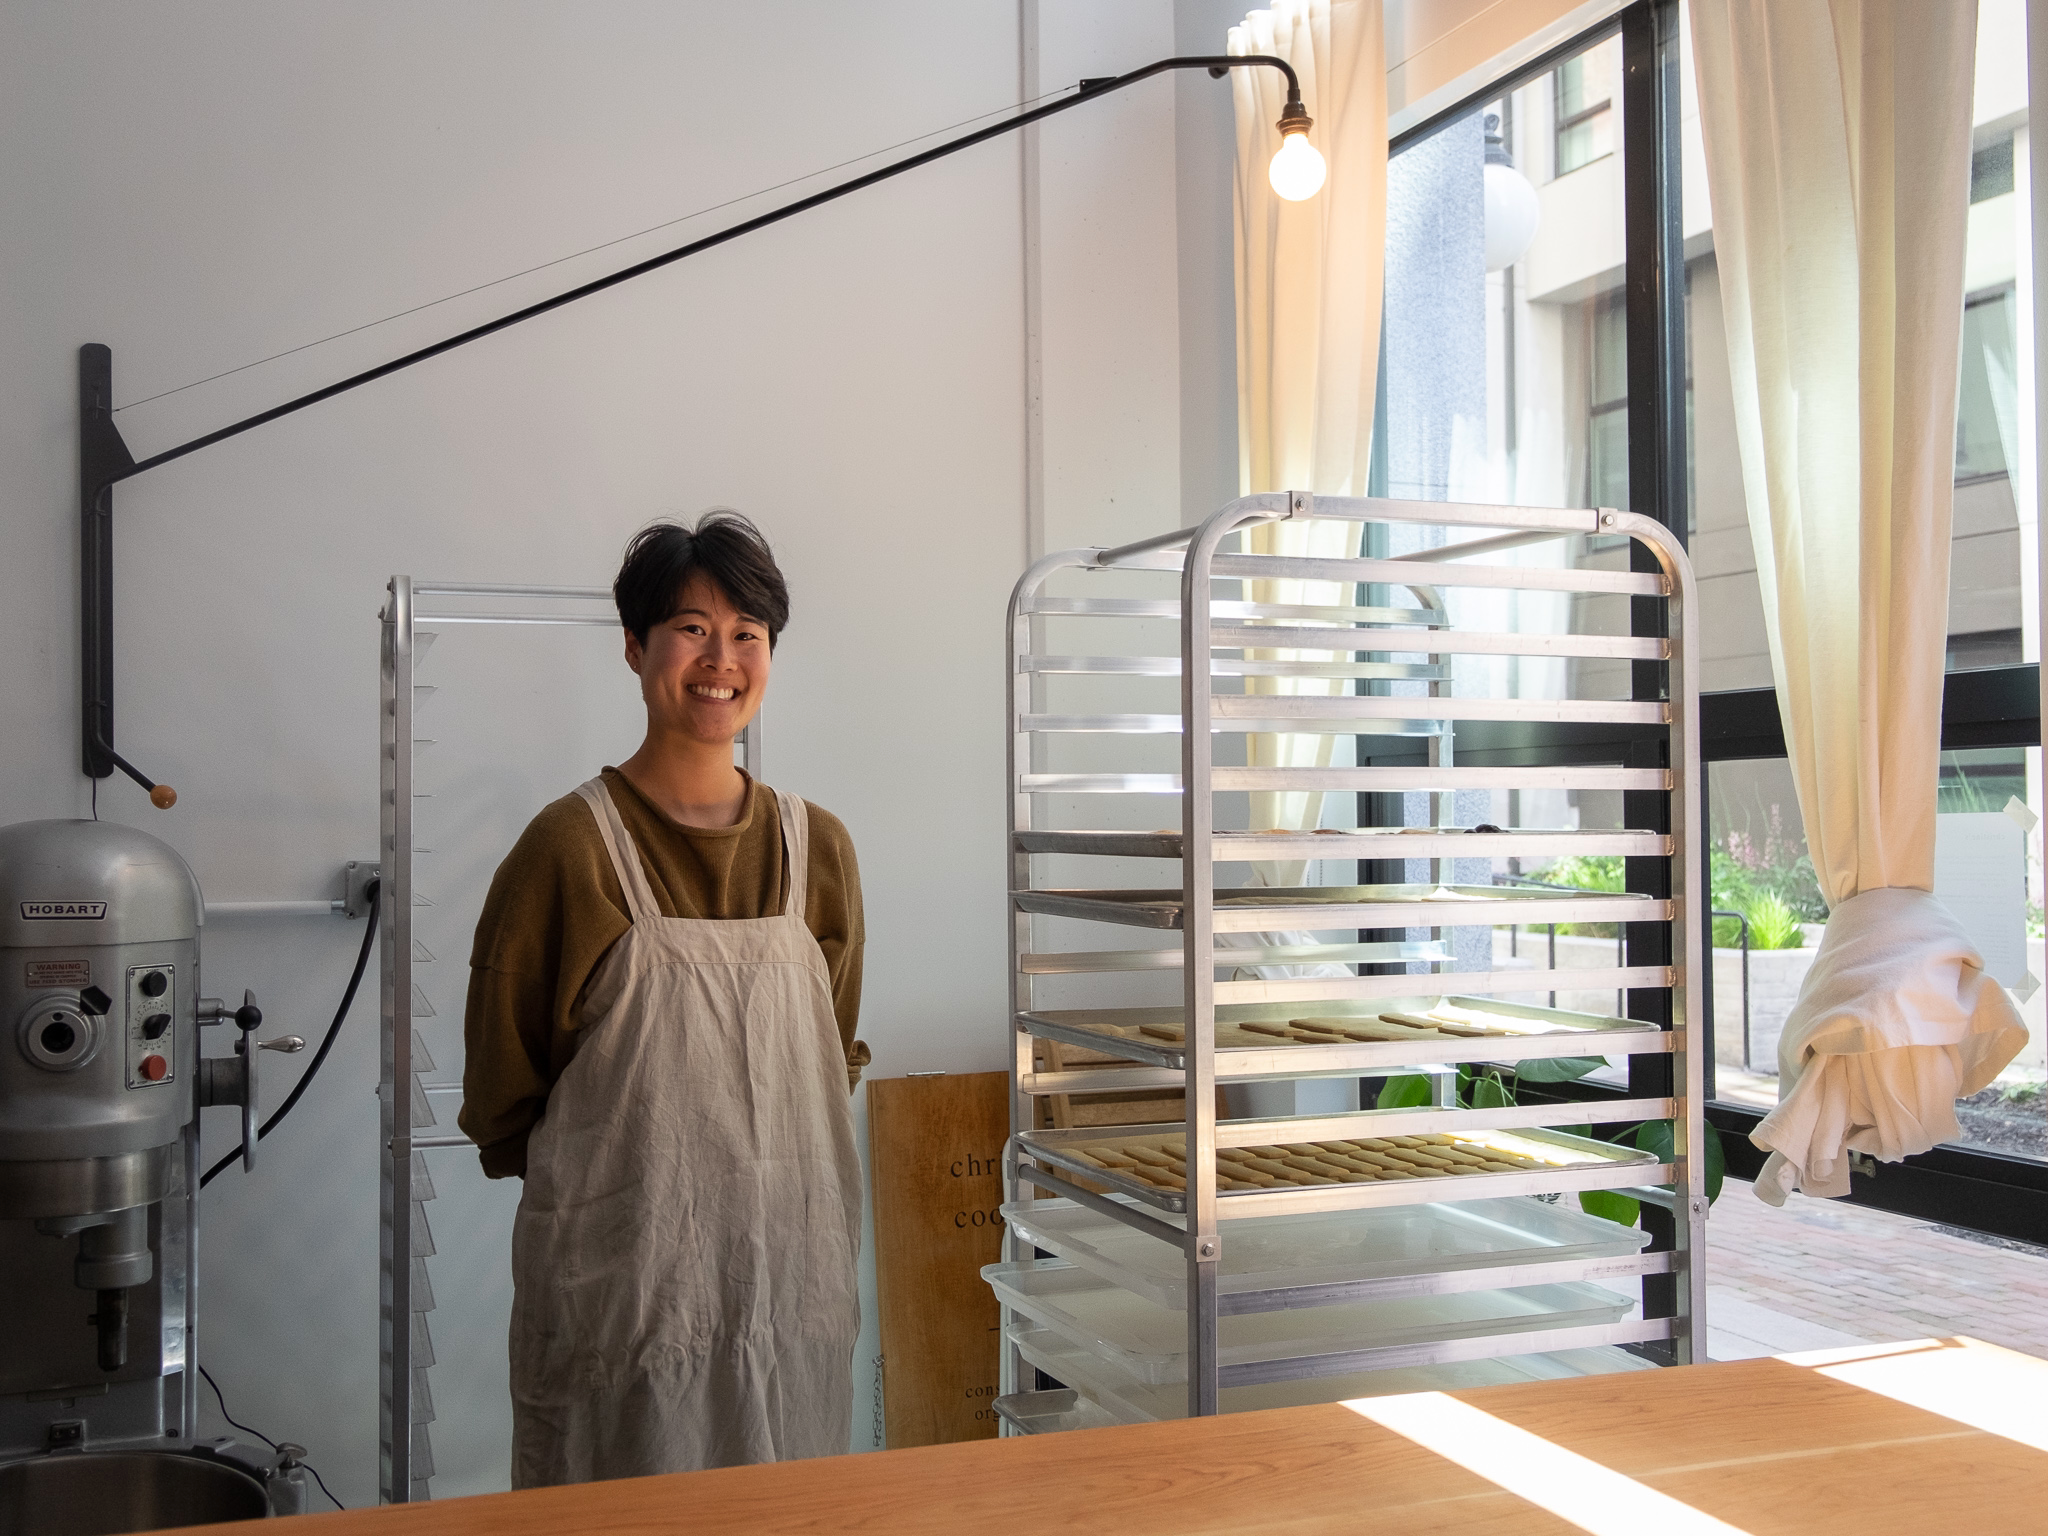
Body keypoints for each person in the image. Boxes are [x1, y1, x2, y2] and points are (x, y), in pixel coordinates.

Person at [459, 511, 869, 1487]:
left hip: (790, 1286)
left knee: (786, 1501)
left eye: (746, 634)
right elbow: (503, 1101)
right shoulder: (568, 849)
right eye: (690, 628)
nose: (719, 659)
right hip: (625, 1296)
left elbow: (831, 1057)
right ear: (635, 646)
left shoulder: (818, 849)